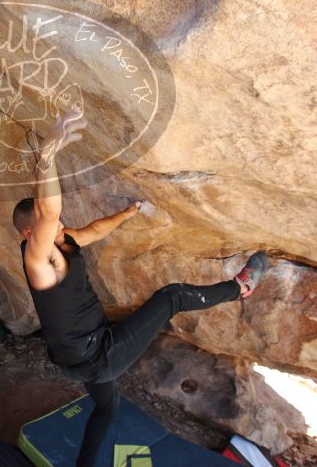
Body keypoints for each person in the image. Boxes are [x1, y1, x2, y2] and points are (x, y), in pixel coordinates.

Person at [14, 109, 269, 466]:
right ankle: (239, 288)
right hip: (95, 355)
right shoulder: (39, 261)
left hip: (82, 354)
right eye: (54, 224)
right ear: (30, 235)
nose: (63, 225)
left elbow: (94, 230)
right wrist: (46, 156)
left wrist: (128, 213)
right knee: (171, 297)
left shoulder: (63, 240)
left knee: (107, 407)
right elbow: (47, 211)